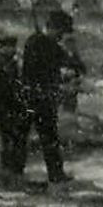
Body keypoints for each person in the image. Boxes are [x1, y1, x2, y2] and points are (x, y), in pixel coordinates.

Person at [18, 11, 84, 184]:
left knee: (47, 137)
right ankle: (17, 172)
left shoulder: (46, 44)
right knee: (27, 135)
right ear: (53, 28)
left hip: (40, 98)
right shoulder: (38, 43)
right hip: (35, 98)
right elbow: (37, 70)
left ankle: (54, 174)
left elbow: (74, 66)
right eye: (60, 32)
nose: (61, 37)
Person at [0, 35, 25, 180]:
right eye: (10, 47)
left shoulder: (12, 63)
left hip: (14, 106)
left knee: (15, 138)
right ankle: (9, 169)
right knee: (8, 138)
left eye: (14, 47)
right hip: (3, 106)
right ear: (3, 48)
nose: (13, 50)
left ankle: (15, 169)